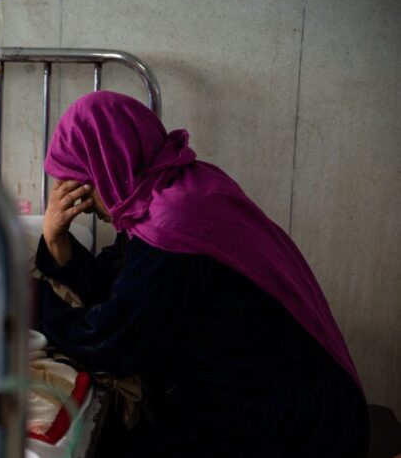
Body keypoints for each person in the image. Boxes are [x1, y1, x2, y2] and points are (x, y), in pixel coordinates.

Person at [35, 91, 369, 457]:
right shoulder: (176, 187)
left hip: (291, 417)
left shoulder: (173, 223)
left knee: (116, 448)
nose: (83, 204)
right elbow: (127, 290)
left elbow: (115, 343)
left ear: (109, 165)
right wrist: (55, 240)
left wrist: (29, 302)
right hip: (275, 388)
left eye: (83, 184)